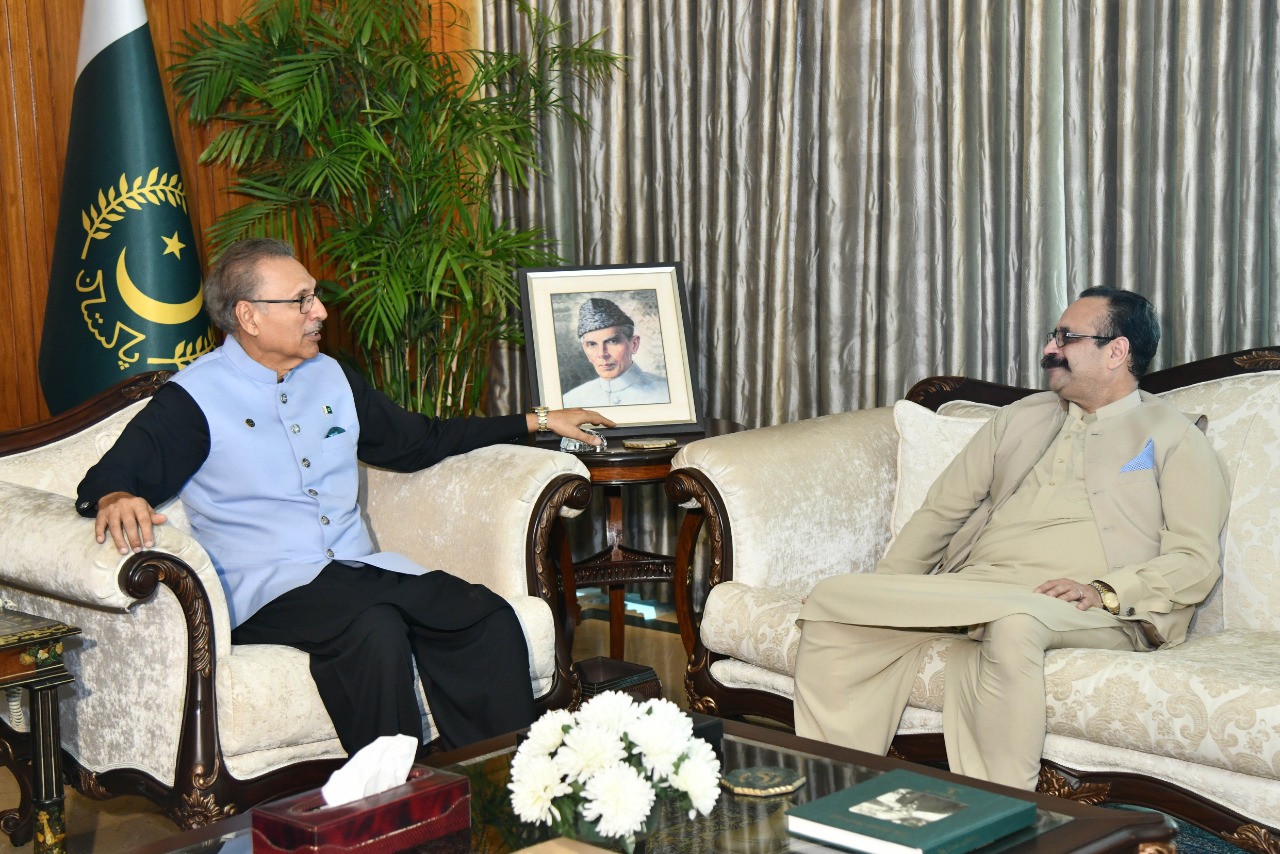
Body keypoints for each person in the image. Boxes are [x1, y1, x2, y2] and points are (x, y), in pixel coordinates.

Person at [75, 237, 616, 755]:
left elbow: (419, 442)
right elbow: (107, 478)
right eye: (301, 300)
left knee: (485, 617)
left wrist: (536, 420)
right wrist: (117, 496)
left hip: (355, 572)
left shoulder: (332, 376)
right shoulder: (193, 397)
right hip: (263, 588)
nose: (321, 312)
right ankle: (389, 799)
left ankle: (496, 785)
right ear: (248, 316)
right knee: (375, 627)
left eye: (315, 296)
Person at [793, 287, 1230, 791]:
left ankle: (1001, 808)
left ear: (1116, 352)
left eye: (1066, 338)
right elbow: (942, 511)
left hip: (1089, 607)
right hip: (979, 586)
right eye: (1052, 335)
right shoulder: (1022, 416)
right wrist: (884, 591)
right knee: (833, 597)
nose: (1049, 348)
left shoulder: (1174, 436)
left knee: (1015, 622)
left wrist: (1106, 591)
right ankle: (835, 788)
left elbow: (1194, 558)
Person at [561, 297, 670, 407]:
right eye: (592, 344)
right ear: (585, 350)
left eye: (612, 341)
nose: (602, 354)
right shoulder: (570, 401)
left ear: (634, 344)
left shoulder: (667, 393)